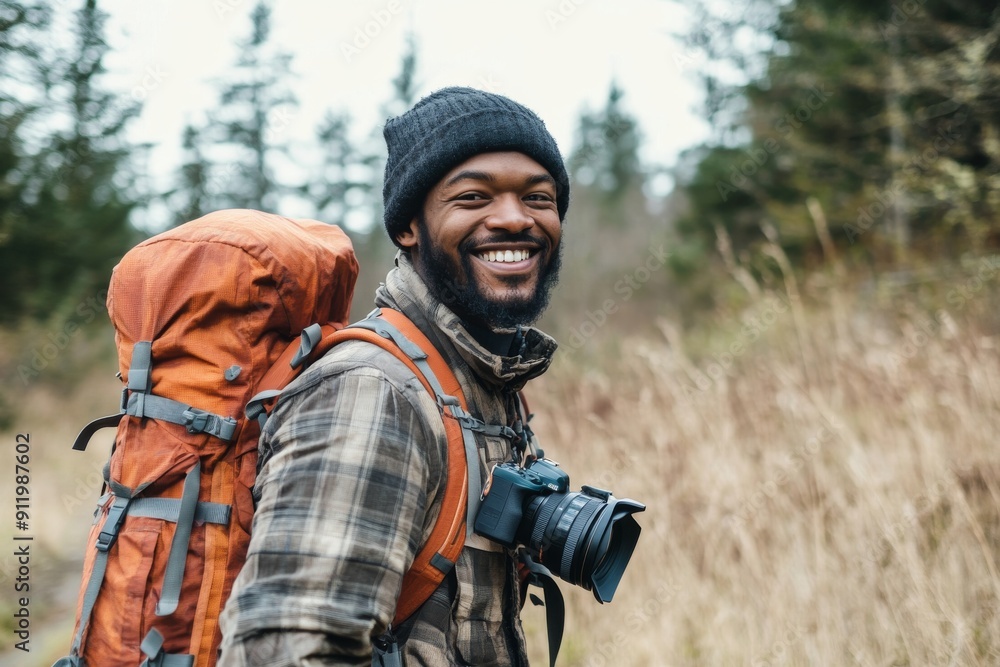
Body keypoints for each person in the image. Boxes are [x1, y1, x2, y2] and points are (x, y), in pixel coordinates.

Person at [218, 86, 570, 666]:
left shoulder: (484, 382)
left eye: (538, 197)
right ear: (409, 226)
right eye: (473, 196)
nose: (514, 218)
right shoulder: (374, 391)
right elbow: (289, 649)